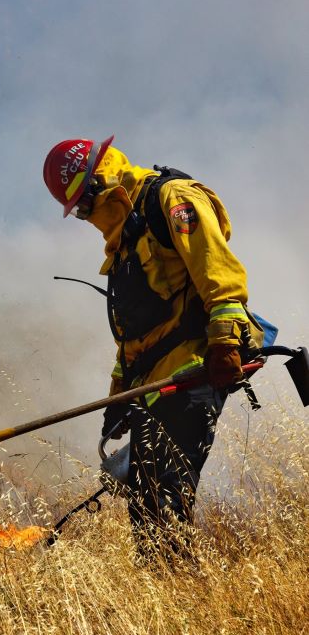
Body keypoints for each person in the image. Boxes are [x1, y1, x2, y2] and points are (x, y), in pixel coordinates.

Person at [43, 136, 262, 544]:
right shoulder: (126, 237)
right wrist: (119, 397)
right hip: (155, 387)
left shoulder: (171, 199)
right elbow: (134, 336)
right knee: (146, 509)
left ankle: (185, 594)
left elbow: (220, 273)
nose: (86, 218)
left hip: (195, 370)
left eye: (84, 207)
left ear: (100, 183)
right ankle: (169, 589)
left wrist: (225, 342)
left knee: (164, 504)